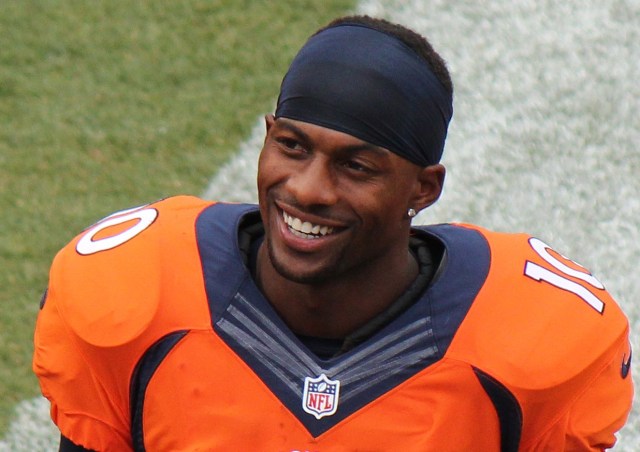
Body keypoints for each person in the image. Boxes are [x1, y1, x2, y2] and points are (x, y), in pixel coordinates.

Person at [33, 15, 633, 451]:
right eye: (292, 146)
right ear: (268, 136)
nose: (308, 189)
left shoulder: (525, 341)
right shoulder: (141, 295)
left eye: (356, 166)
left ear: (423, 188)